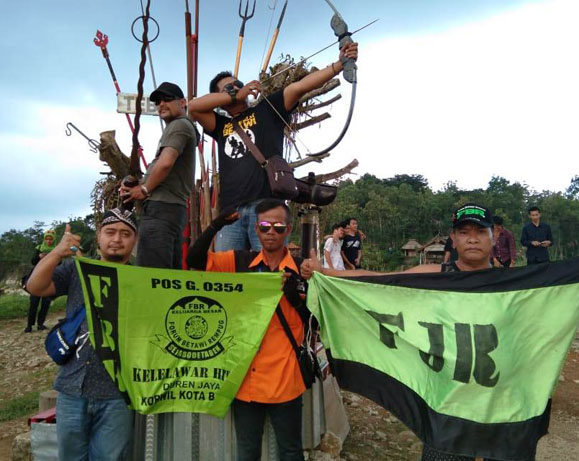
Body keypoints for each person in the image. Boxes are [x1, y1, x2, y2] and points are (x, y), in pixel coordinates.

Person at [302, 202, 579, 461]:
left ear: (494, 236)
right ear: (454, 239)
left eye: (480, 231)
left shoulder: (514, 286)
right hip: (447, 407)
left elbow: (549, 315)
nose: (472, 239)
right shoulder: (434, 279)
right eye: (464, 232)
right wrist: (325, 273)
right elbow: (378, 281)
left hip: (504, 408)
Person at [189, 42, 359, 252]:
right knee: (229, 269)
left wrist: (339, 65)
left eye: (238, 84)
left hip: (267, 208)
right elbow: (193, 107)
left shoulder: (266, 108)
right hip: (231, 212)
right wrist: (235, 96)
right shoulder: (220, 125)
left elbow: (299, 87)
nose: (237, 88)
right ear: (219, 98)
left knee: (270, 268)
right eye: (228, 88)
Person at [186, 199, 308, 461]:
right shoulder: (240, 262)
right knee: (247, 452)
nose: (271, 232)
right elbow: (194, 260)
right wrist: (215, 226)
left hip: (286, 377)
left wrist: (296, 296)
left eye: (278, 227)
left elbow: (316, 319)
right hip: (246, 379)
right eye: (264, 226)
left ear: (288, 229)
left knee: (291, 452)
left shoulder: (302, 270)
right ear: (256, 229)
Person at [26, 208, 138, 460]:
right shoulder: (76, 269)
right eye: (110, 232)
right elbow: (35, 286)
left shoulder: (142, 279)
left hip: (118, 394)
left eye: (125, 233)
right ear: (98, 236)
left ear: (135, 239)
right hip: (72, 387)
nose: (117, 239)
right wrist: (57, 252)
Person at [120, 82, 198, 268]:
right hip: (171, 209)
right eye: (157, 101)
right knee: (165, 274)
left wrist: (144, 189)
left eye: (168, 99)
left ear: (182, 102)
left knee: (151, 273)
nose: (161, 104)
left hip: (162, 208)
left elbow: (165, 163)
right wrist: (139, 184)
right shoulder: (182, 127)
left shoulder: (178, 125)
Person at [23, 229, 56, 332]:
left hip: (49, 278)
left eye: (50, 239)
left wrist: (51, 258)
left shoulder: (56, 249)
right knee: (34, 302)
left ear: (54, 240)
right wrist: (39, 257)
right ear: (44, 239)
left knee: (45, 303)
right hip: (37, 277)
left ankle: (40, 324)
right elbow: (33, 261)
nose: (48, 241)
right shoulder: (39, 248)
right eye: (47, 239)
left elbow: (59, 263)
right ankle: (29, 325)